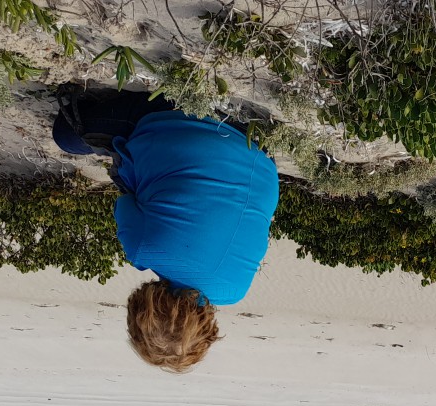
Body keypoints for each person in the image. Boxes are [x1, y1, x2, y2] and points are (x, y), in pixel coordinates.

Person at [53, 88, 280, 373]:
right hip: (180, 118)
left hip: (259, 148)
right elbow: (125, 204)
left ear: (206, 327)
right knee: (66, 136)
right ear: (140, 311)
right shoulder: (143, 250)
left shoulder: (235, 291)